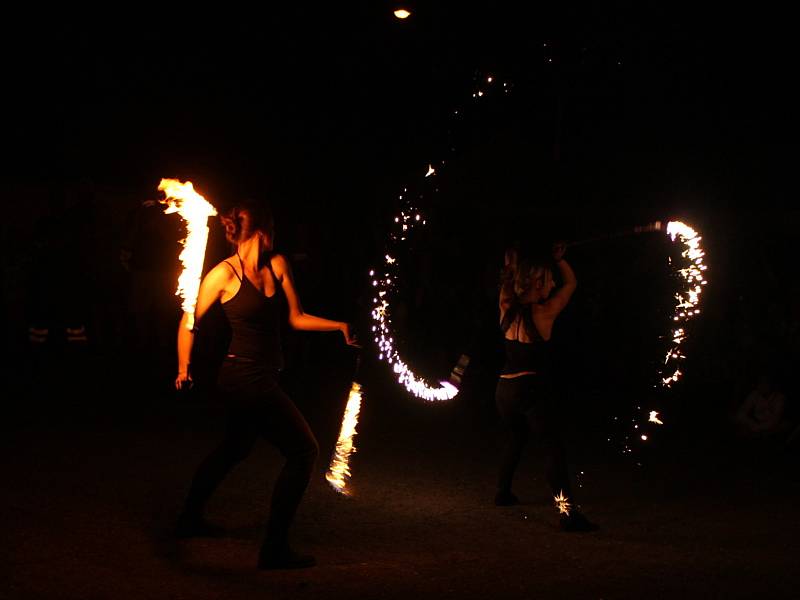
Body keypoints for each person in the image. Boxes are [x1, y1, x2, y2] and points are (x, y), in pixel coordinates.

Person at [173, 196, 358, 569]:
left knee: (234, 449)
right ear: (261, 230)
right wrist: (183, 367)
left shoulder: (277, 265)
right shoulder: (224, 274)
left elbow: (297, 317)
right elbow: (188, 319)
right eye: (272, 228)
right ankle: (273, 548)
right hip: (243, 377)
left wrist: (339, 327)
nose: (276, 235)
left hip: (264, 374)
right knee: (304, 450)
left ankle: (188, 519)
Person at [494, 241, 597, 532]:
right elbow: (572, 283)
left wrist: (511, 267)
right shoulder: (545, 311)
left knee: (516, 439)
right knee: (554, 450)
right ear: (537, 282)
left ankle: (502, 492)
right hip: (530, 391)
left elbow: (509, 282)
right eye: (547, 278)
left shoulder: (505, 304)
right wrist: (560, 261)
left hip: (503, 390)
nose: (552, 283)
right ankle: (568, 515)